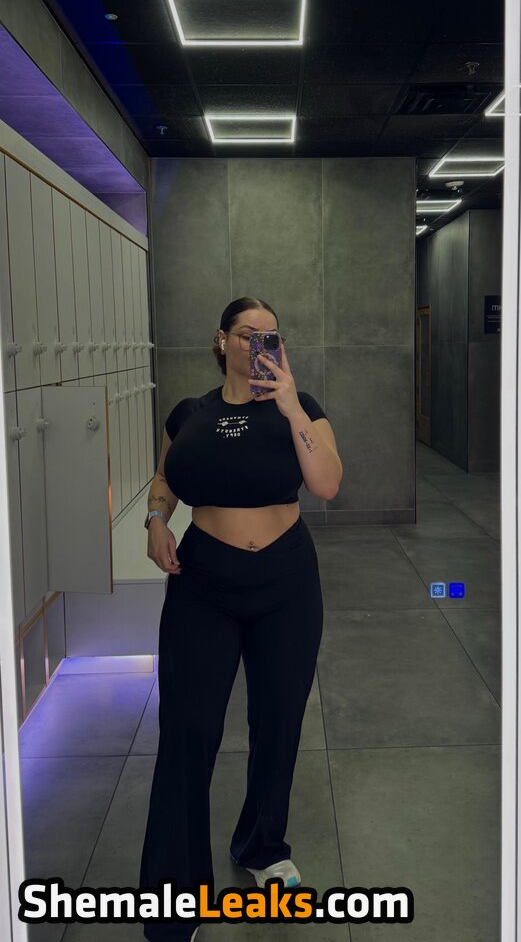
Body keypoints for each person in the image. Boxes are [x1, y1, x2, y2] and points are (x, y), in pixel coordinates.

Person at [138, 296, 343, 942]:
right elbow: (165, 479)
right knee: (187, 730)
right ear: (221, 340)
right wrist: (155, 519)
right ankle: (176, 893)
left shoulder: (301, 407)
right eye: (247, 333)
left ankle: (261, 845)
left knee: (279, 722)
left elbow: (328, 483)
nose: (259, 344)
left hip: (286, 583)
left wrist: (290, 407)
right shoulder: (189, 414)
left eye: (270, 335)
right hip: (203, 584)